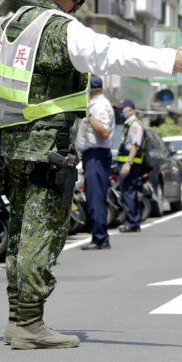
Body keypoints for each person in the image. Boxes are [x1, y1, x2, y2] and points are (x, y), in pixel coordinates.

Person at [0, 0, 182, 350]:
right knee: (40, 235)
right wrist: (167, 60)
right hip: (45, 150)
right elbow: (111, 52)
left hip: (9, 146)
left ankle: (18, 318)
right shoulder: (62, 28)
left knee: (19, 234)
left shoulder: (15, 23)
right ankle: (29, 326)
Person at [75, 76, 114, 250]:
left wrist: (88, 116)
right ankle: (98, 236)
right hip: (92, 156)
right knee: (93, 197)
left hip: (97, 156)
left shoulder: (99, 106)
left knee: (96, 197)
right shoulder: (95, 104)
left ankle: (100, 237)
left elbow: (103, 132)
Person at [115, 99, 145, 233]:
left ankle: (132, 222)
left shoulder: (135, 125)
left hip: (129, 164)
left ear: (131, 110)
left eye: (123, 110)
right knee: (127, 192)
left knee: (128, 192)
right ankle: (133, 222)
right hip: (125, 162)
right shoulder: (129, 124)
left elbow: (136, 145)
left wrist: (128, 163)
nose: (121, 112)